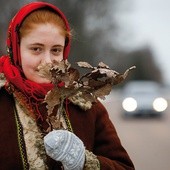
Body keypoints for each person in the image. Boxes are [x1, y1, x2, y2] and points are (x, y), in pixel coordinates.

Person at [0, 1, 135, 170]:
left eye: (56, 50)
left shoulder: (85, 105)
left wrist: (84, 162)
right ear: (15, 48)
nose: (48, 61)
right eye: (36, 49)